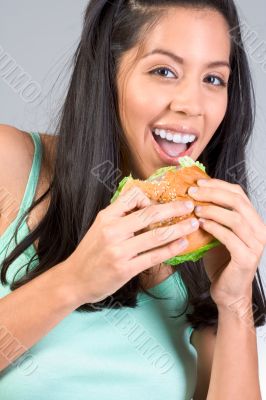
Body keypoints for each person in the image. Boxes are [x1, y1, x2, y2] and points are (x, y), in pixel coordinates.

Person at [0, 1, 265, 399]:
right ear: (106, 73)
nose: (191, 105)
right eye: (164, 71)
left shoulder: (204, 246)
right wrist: (74, 281)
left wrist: (234, 304)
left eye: (214, 79)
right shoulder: (12, 163)